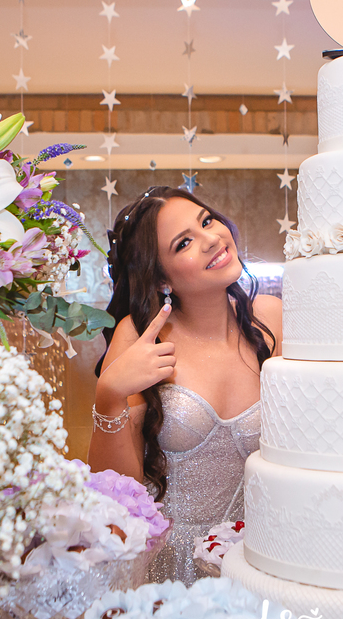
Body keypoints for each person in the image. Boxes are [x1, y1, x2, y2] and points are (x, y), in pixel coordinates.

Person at [89, 186, 281, 585]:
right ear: (161, 278)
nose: (211, 239)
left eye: (206, 221)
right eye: (184, 243)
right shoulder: (139, 336)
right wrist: (109, 397)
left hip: (261, 561)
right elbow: (116, 496)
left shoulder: (272, 320)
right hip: (168, 571)